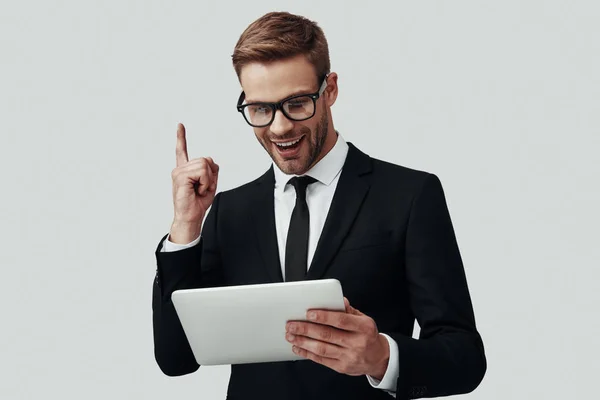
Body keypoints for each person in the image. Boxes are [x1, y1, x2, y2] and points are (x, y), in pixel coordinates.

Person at [152, 11, 486, 400]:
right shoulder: (230, 211)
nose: (279, 128)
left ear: (329, 90)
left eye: (296, 103)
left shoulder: (409, 196)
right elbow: (176, 359)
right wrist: (185, 227)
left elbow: (465, 358)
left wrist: (381, 357)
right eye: (260, 108)